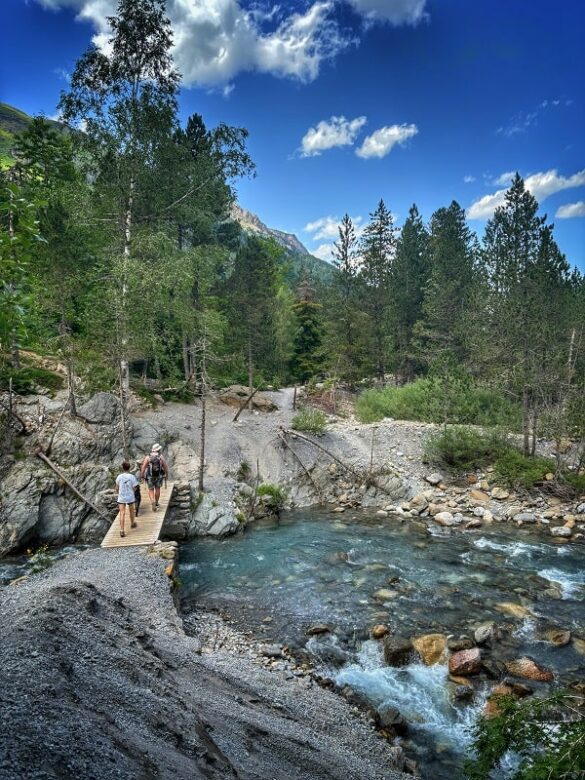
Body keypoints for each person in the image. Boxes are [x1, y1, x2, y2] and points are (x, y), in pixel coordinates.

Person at [140, 443, 169, 511]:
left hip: (150, 476)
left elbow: (143, 467)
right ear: (158, 449)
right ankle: (156, 503)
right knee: (157, 489)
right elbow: (165, 467)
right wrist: (166, 475)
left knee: (151, 489)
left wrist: (142, 476)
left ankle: (152, 501)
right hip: (159, 476)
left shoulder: (148, 457)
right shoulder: (160, 456)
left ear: (153, 450)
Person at [115, 460, 139, 537]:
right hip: (130, 497)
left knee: (122, 513)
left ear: (122, 468)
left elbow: (117, 488)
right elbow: (135, 487)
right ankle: (132, 523)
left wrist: (119, 492)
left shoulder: (119, 477)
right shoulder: (132, 477)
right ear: (129, 468)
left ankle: (122, 530)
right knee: (131, 511)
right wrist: (132, 491)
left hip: (121, 497)